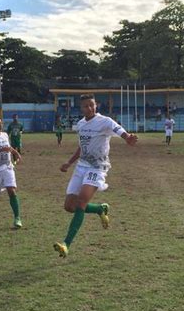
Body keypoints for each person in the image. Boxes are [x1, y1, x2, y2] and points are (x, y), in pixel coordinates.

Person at [53, 94, 138, 258]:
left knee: (81, 201)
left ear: (96, 105)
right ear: (81, 108)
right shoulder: (81, 124)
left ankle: (66, 244)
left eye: (92, 105)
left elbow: (118, 130)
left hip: (98, 167)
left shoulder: (104, 121)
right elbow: (81, 148)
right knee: (69, 206)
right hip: (81, 167)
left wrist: (128, 138)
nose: (89, 108)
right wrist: (69, 163)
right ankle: (100, 208)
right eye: (86, 106)